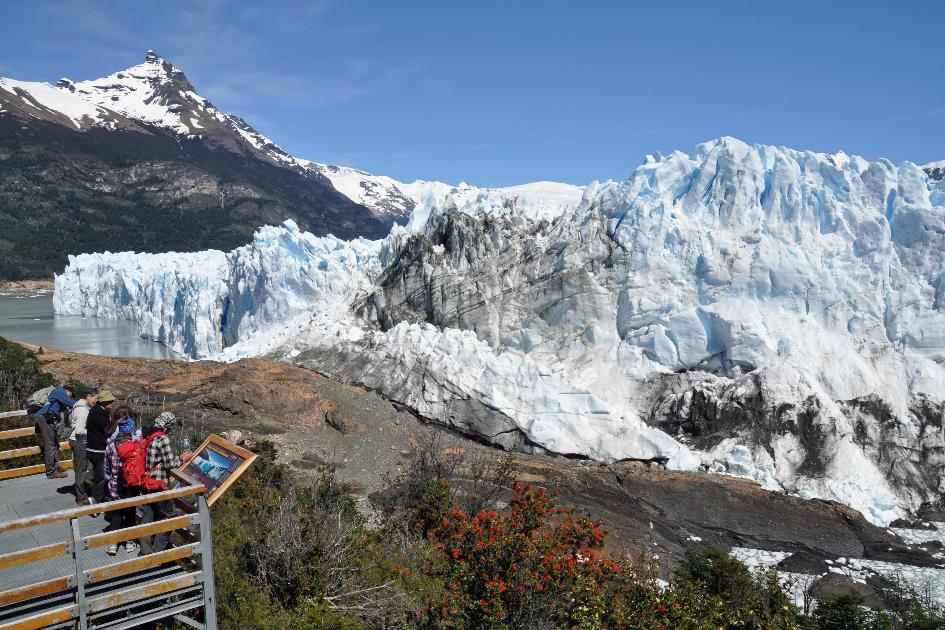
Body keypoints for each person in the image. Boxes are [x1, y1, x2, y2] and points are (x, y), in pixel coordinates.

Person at [138, 414, 192, 555]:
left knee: (148, 515)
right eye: (170, 428)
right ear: (166, 427)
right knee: (169, 516)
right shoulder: (162, 438)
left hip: (147, 482)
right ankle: (157, 551)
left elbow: (157, 459)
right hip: (159, 483)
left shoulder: (148, 434)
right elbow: (169, 464)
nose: (170, 431)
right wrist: (183, 459)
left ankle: (145, 549)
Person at [104, 407, 140, 556]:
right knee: (130, 513)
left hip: (114, 485)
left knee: (117, 514)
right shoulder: (135, 445)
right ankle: (130, 543)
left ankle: (113, 544)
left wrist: (110, 479)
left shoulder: (110, 445)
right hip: (130, 485)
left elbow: (106, 468)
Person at [34, 385, 75, 479]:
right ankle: (51, 472)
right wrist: (82, 403)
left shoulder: (58, 396)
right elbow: (70, 403)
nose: (69, 397)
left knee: (55, 444)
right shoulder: (60, 391)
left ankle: (55, 467)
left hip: (47, 419)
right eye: (70, 395)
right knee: (50, 445)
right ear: (67, 391)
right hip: (45, 418)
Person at [68, 388, 98, 505]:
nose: (95, 402)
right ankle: (81, 497)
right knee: (81, 470)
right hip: (79, 442)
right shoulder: (82, 410)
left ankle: (84, 491)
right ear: (89, 396)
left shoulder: (78, 405)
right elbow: (80, 431)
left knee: (82, 468)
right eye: (95, 399)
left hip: (77, 441)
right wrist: (95, 432)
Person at [86, 390, 116, 504]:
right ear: (103, 401)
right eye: (110, 401)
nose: (112, 403)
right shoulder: (100, 413)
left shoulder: (96, 410)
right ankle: (95, 500)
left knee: (96, 474)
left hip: (92, 448)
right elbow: (108, 429)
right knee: (102, 476)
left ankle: (96, 494)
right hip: (97, 449)